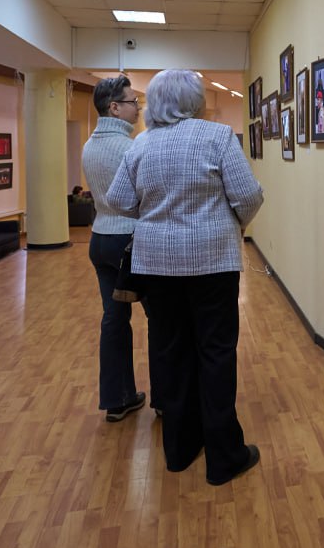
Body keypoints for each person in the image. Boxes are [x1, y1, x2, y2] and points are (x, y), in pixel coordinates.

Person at [107, 70, 265, 486]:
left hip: (155, 265)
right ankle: (223, 457)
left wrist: (155, 216)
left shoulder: (141, 144)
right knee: (215, 354)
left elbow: (119, 200)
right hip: (212, 262)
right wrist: (231, 225)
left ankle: (178, 450)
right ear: (194, 101)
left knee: (169, 353)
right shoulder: (218, 137)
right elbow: (249, 195)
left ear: (155, 103)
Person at [81, 75, 152, 423]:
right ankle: (167, 400)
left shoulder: (89, 146)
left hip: (101, 239)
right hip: (132, 241)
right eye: (132, 101)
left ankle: (117, 399)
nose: (137, 108)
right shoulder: (131, 148)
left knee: (113, 320)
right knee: (160, 318)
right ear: (114, 107)